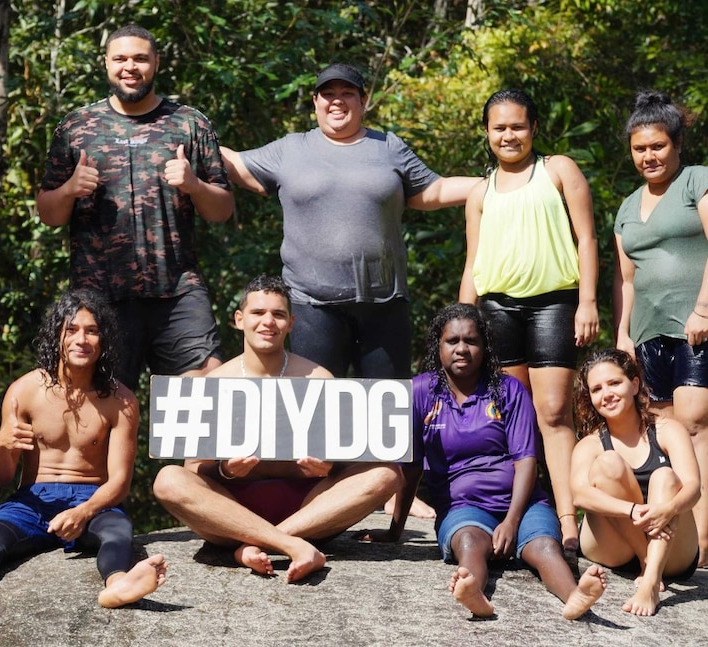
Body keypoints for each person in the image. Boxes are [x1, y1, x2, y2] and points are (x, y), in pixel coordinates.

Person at [222, 62, 475, 518]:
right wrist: (183, 128)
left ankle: (395, 492)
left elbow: (431, 191)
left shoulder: (387, 147)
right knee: (316, 409)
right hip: (312, 302)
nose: (336, 100)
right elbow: (237, 164)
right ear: (315, 102)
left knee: (387, 403)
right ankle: (322, 494)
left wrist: (494, 185)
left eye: (347, 93)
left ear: (363, 101)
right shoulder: (290, 149)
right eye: (327, 94)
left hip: (384, 301)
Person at [0, 289, 167, 626]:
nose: (81, 339)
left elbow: (120, 482)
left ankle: (118, 584)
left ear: (103, 340)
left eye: (92, 330)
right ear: (56, 336)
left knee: (118, 530)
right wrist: (4, 448)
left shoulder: (120, 400)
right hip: (32, 500)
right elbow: (0, 477)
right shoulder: (25, 390)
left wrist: (83, 512)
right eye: (71, 330)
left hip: (94, 499)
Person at [361, 303, 606, 620]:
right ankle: (473, 592)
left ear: (484, 346)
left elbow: (526, 460)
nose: (461, 349)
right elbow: (410, 467)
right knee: (469, 543)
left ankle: (575, 597)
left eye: (471, 341)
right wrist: (396, 529)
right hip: (464, 507)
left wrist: (512, 521)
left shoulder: (509, 389)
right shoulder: (420, 391)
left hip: (523, 504)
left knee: (545, 547)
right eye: (453, 341)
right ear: (439, 345)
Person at [152, 275, 401, 582]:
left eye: (278, 314)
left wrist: (328, 466)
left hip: (309, 512)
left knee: (388, 473)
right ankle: (287, 545)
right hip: (232, 511)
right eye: (258, 313)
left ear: (291, 323)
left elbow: (346, 459)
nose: (268, 321)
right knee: (167, 480)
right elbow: (192, 471)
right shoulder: (213, 383)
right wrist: (227, 470)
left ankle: (263, 542)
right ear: (239, 319)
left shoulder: (318, 379)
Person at [37, 24, 234, 388]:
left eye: (140, 58)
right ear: (107, 64)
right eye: (121, 58)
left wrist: (194, 185)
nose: (131, 66)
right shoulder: (77, 127)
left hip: (177, 290)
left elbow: (221, 210)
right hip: (98, 294)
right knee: (98, 406)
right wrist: (68, 190)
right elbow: (48, 214)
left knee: (205, 388)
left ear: (156, 62)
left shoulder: (189, 123)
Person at [458, 89, 600, 551]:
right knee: (513, 417)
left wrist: (588, 301)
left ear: (534, 128)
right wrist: (462, 321)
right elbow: (472, 262)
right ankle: (519, 512)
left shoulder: (557, 170)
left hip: (554, 304)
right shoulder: (479, 192)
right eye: (499, 128)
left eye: (517, 126)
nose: (509, 135)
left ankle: (569, 520)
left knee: (555, 412)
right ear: (487, 133)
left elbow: (586, 238)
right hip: (496, 309)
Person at [611, 90, 708, 567]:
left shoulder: (697, 181)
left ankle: (704, 544)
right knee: (667, 432)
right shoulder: (627, 207)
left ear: (677, 144)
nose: (648, 155)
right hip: (647, 333)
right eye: (639, 148)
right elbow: (627, 279)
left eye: (657, 146)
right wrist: (623, 334)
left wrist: (704, 310)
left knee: (696, 425)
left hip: (697, 326)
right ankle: (677, 543)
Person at [572, 348, 700, 616]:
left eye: (614, 383)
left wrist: (668, 509)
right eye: (596, 389)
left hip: (670, 553)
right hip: (614, 548)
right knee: (609, 464)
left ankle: (650, 582)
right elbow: (580, 496)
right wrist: (631, 510)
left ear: (634, 384)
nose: (606, 394)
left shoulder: (667, 429)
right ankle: (646, 560)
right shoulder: (590, 444)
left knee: (665, 476)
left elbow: (693, 488)